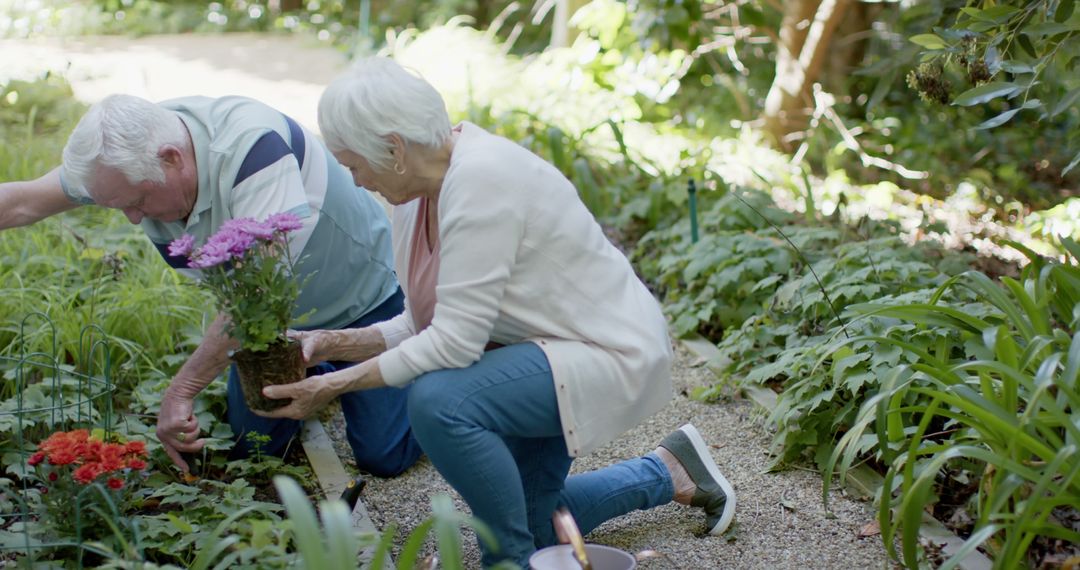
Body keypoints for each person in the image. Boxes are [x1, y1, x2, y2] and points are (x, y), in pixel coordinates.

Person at [258, 57, 737, 567]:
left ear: (394, 149)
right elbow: (422, 324)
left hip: (604, 349)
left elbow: (453, 344)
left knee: (439, 401)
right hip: (535, 352)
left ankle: (508, 563)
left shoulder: (483, 179)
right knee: (531, 520)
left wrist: (330, 385)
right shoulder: (414, 196)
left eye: (353, 164)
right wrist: (329, 344)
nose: (353, 181)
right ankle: (668, 471)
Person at [0, 94, 422, 477]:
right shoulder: (118, 162)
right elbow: (22, 203)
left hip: (360, 304)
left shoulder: (254, 149)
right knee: (255, 452)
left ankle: (431, 354)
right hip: (271, 327)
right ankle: (317, 366)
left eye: (136, 202)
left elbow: (248, 298)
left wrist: (181, 391)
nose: (133, 218)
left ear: (171, 159)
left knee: (383, 456)